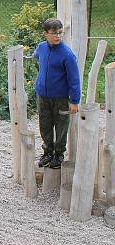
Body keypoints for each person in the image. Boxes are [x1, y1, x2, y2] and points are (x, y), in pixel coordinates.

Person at [34, 18, 81, 170]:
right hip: (43, 96)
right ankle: (47, 151)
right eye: (54, 33)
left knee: (61, 126)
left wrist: (74, 101)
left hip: (61, 98)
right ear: (45, 34)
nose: (58, 36)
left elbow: (74, 80)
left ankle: (59, 153)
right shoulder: (41, 48)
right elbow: (36, 55)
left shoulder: (67, 55)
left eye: (60, 33)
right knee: (45, 124)